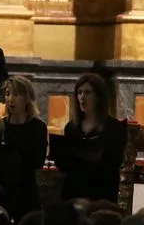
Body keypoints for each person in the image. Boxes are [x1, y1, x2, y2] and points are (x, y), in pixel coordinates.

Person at [51, 73, 127, 202]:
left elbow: (115, 162)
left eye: (87, 93)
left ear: (99, 97)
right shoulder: (71, 127)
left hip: (102, 191)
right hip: (75, 190)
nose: (82, 97)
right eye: (79, 93)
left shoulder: (114, 127)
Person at [1, 76, 47, 220]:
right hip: (4, 188)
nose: (10, 99)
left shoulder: (37, 127)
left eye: (16, 94)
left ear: (27, 98)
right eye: (8, 94)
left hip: (26, 188)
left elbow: (37, 161)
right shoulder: (1, 125)